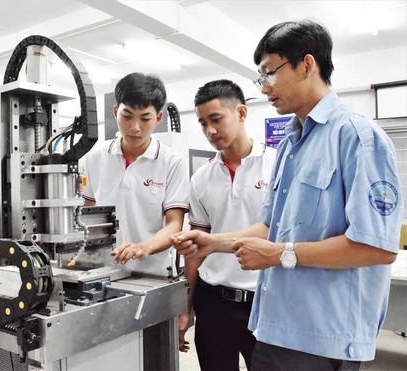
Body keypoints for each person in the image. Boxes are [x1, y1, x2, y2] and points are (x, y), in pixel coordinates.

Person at [172, 20, 402, 371]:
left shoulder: (357, 137)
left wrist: (280, 255)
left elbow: (378, 247)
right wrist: (212, 243)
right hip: (275, 326)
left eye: (269, 73)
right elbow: (271, 227)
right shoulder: (291, 145)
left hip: (322, 334)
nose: (264, 87)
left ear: (307, 64)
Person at [178, 79, 276, 371]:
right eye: (202, 123)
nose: (210, 131)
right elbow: (196, 251)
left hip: (266, 301)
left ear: (242, 113)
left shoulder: (277, 164)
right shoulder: (201, 179)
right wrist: (186, 309)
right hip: (214, 302)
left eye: (216, 119)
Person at [81, 72, 189, 276]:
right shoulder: (94, 158)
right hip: (103, 272)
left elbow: (174, 223)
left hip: (152, 274)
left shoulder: (172, 163)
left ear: (158, 118)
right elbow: (87, 212)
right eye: (127, 116)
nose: (135, 127)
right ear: (115, 112)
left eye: (145, 118)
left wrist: (144, 247)